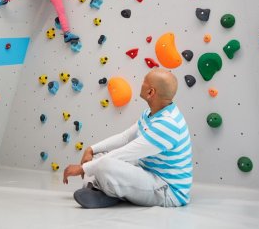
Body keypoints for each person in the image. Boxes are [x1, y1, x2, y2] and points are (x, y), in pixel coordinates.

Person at [63, 69, 193, 208]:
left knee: (104, 165)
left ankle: (107, 191)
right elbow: (125, 137)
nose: (141, 84)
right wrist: (91, 149)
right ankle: (109, 190)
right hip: (147, 170)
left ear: (151, 92)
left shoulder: (168, 124)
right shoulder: (151, 113)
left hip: (167, 190)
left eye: (144, 82)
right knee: (98, 157)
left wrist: (83, 169)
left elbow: (126, 152)